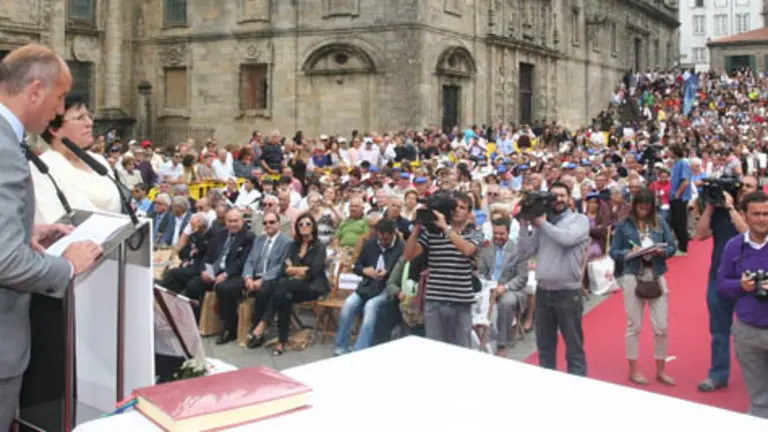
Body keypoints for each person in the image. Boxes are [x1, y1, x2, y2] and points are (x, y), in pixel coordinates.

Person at [0, 44, 102, 432]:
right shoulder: (5, 150)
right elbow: (6, 262)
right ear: (35, 91)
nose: (59, 111)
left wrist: (23, 231)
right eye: (60, 99)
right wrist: (68, 265)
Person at [518, 182, 590, 376]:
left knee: (574, 348)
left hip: (568, 293)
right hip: (543, 293)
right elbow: (524, 252)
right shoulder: (543, 224)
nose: (558, 200)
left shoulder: (579, 220)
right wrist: (524, 224)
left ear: (569, 198)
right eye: (553, 196)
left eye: (562, 196)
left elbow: (566, 239)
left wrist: (542, 223)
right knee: (545, 347)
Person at [610, 187, 677, 386]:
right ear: (634, 205)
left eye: (647, 207)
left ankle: (661, 369)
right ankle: (633, 369)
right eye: (641, 207)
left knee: (661, 327)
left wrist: (661, 252)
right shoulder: (624, 224)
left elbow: (672, 246)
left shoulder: (659, 221)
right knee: (634, 326)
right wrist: (630, 252)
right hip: (633, 273)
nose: (644, 211)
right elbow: (614, 252)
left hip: (656, 273)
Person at [694, 175, 754, 392]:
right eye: (742, 186)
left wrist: (730, 208)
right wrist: (710, 207)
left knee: (753, 330)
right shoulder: (719, 211)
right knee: (719, 330)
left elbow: (747, 234)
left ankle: (757, 375)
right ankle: (718, 374)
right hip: (720, 277)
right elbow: (699, 235)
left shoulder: (757, 212)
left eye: (749, 186)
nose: (744, 190)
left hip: (750, 278)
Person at [717, 191, 768, 419]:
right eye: (756, 214)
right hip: (748, 330)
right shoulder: (733, 247)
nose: (762, 219)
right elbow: (722, 284)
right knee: (758, 398)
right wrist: (742, 285)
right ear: (744, 216)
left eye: (766, 214)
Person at [32, 94, 121, 223]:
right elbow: (49, 221)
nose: (90, 123)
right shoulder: (42, 169)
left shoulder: (99, 163)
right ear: (54, 129)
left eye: (89, 116)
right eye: (80, 118)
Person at [252, 214, 329, 355]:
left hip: (312, 287)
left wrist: (294, 269)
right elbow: (284, 268)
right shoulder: (294, 245)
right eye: (301, 224)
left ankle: (264, 323)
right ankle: (281, 342)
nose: (304, 227)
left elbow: (313, 271)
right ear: (297, 227)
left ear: (313, 227)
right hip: (292, 286)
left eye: (308, 224)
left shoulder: (319, 246)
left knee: (282, 286)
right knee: (284, 296)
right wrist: (299, 270)